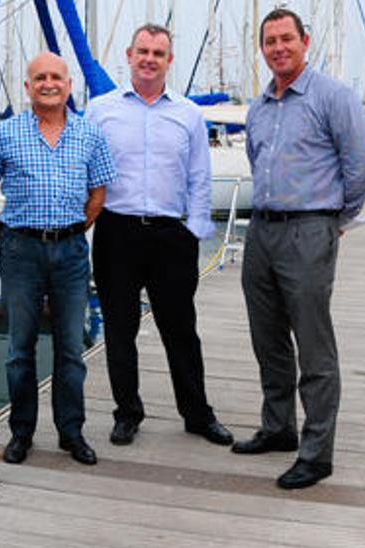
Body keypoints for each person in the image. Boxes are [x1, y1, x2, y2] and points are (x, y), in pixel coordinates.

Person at [232, 8, 365, 490]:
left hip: (309, 231)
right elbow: (257, 162)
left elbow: (362, 170)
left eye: (286, 39)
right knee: (267, 338)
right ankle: (278, 428)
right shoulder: (259, 106)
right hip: (262, 232)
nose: (278, 48)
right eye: (270, 41)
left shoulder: (332, 96)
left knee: (314, 345)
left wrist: (332, 221)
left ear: (305, 41)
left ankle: (316, 454)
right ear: (262, 48)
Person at [86, 24, 232, 448]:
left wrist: (195, 233)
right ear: (129, 55)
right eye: (143, 51)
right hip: (118, 231)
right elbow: (86, 173)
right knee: (119, 328)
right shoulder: (100, 110)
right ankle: (127, 412)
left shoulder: (187, 113)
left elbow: (200, 179)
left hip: (172, 234)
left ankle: (197, 413)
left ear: (169, 60)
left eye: (159, 53)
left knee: (181, 328)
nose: (149, 59)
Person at [0, 52, 116, 466]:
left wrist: (75, 229)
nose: (48, 83)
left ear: (68, 84)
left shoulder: (89, 134)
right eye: (39, 77)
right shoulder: (5, 134)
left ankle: (71, 432)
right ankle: (21, 433)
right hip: (20, 250)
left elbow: (98, 194)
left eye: (55, 77)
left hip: (71, 251)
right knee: (19, 348)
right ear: (28, 86)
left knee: (71, 348)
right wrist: (5, 236)